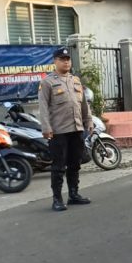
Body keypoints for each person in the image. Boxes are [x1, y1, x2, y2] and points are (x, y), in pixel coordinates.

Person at [38, 46, 94, 212]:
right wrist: (46, 128)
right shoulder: (47, 82)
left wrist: (88, 121)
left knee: (75, 164)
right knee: (58, 166)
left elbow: (83, 104)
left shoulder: (75, 80)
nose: (66, 62)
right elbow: (43, 107)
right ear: (55, 61)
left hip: (76, 129)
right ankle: (57, 199)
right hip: (58, 131)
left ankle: (74, 194)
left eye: (68, 59)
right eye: (62, 59)